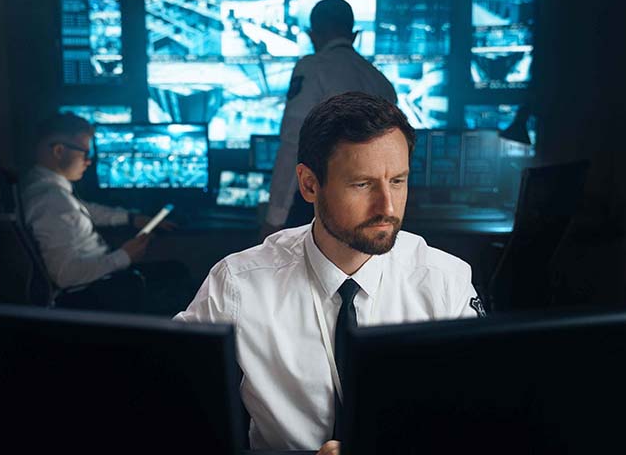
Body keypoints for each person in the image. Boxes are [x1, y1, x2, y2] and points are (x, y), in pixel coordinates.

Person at [176, 93, 485, 452]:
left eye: (397, 181)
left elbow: (480, 420)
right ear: (309, 184)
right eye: (362, 184)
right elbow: (170, 402)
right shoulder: (239, 285)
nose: (387, 206)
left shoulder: (444, 281)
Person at [21, 113, 192, 314]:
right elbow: (65, 275)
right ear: (59, 151)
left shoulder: (45, 188)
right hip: (93, 293)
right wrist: (124, 256)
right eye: (85, 153)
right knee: (177, 274)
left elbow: (84, 209)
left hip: (99, 278)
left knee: (174, 270)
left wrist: (131, 218)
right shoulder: (52, 202)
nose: (89, 161)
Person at [262, 0, 397, 239]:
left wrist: (275, 217)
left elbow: (293, 142)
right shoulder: (380, 81)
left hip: (320, 205)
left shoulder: (312, 69)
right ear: (354, 35)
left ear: (312, 35)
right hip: (372, 204)